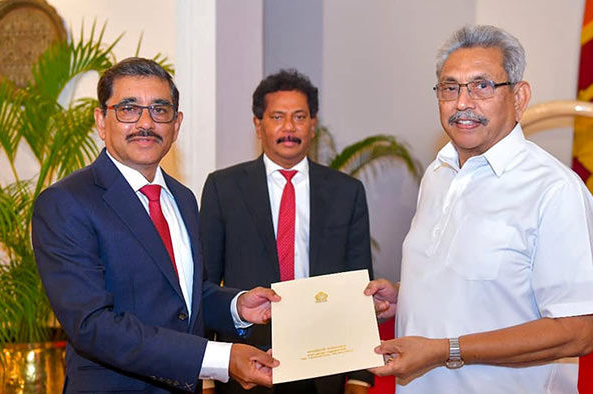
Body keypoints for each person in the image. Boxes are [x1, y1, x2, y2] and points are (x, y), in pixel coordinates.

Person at [365, 25, 593, 393]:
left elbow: (577, 331)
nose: (462, 102)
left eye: (482, 86)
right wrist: (407, 293)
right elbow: (475, 281)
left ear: (520, 98)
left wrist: (446, 351)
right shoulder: (438, 173)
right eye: (450, 88)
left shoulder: (555, 191)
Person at [32, 57, 280, 394]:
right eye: (128, 109)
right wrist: (220, 358)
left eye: (160, 110)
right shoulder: (66, 202)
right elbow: (92, 325)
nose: (145, 123)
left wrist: (236, 306)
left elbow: (183, 296)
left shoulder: (183, 198)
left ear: (176, 125)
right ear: (101, 121)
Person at [199, 69, 374, 394]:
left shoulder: (346, 192)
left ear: (313, 124)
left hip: (325, 361)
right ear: (258, 124)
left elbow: (360, 285)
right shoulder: (223, 188)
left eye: (299, 117)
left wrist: (360, 377)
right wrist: (206, 375)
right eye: (277, 117)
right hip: (246, 360)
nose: (289, 127)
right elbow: (204, 285)